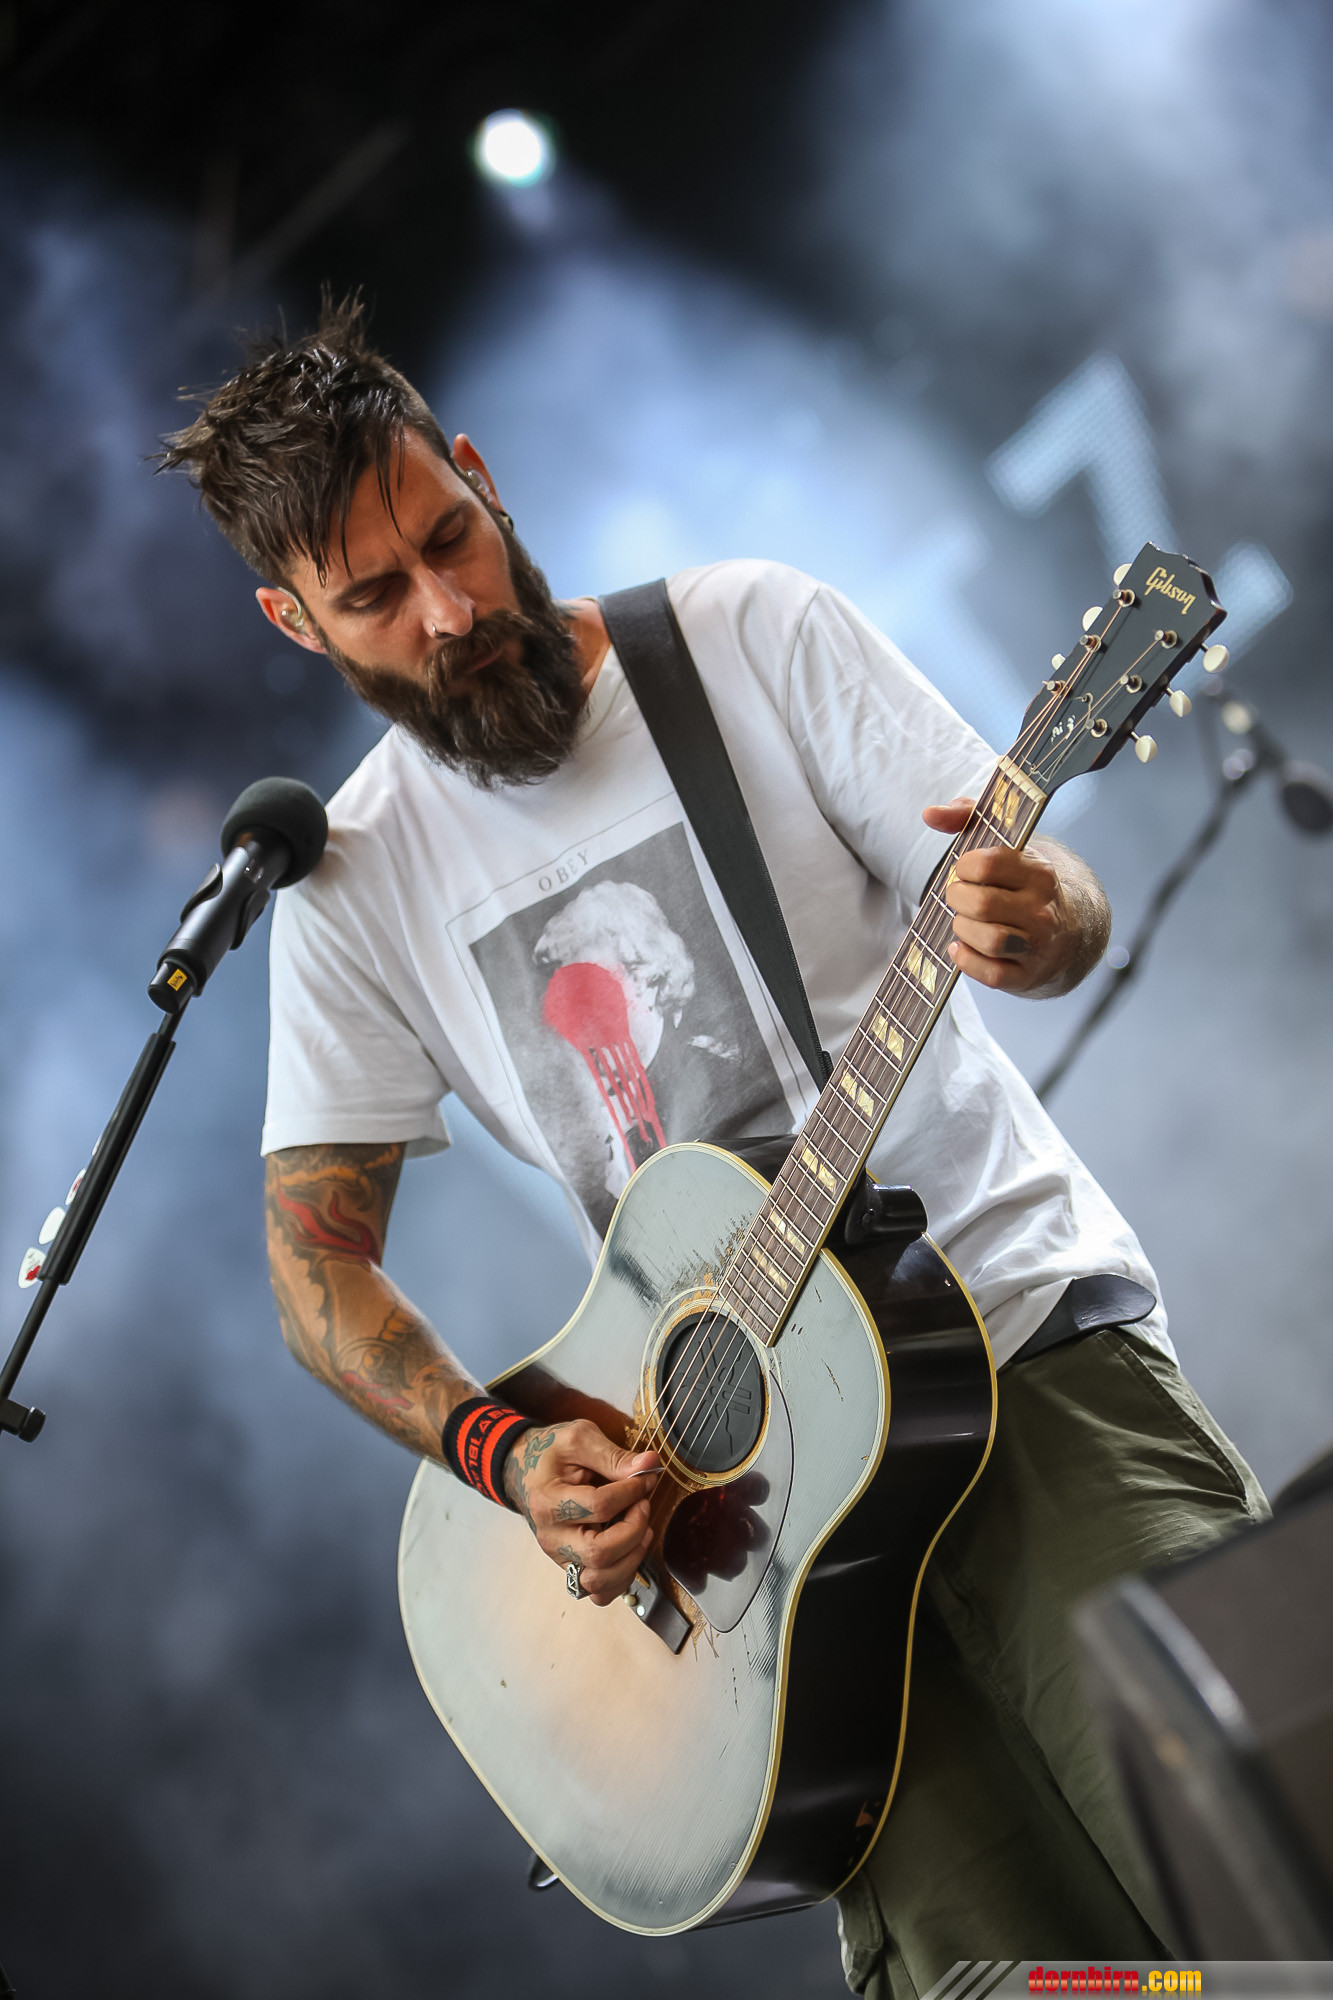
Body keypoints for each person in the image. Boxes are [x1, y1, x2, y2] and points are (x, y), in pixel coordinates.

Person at [160, 299, 1267, 1997]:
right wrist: (507, 1456)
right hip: (758, 1539)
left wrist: (1039, 916)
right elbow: (316, 1269)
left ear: (480, 475)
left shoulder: (746, 634)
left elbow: (1045, 901)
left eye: (448, 539)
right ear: (293, 622)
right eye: (375, 595)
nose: (447, 609)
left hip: (1015, 1356)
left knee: (1268, 1877)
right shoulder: (349, 889)